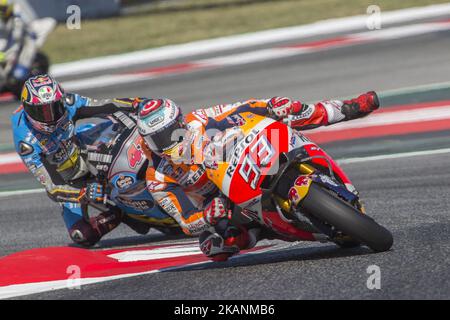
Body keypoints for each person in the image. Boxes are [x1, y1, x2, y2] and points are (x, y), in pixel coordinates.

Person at [136, 92, 380, 261]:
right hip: (223, 203)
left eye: (170, 132)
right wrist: (206, 216)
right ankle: (263, 231)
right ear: (147, 142)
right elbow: (186, 221)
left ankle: (348, 109)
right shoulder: (157, 177)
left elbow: (245, 107)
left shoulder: (200, 119)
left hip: (244, 157)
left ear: (180, 120)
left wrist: (272, 105)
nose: (167, 142)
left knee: (291, 111)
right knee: (215, 247)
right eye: (157, 139)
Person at [11, 74, 149, 246]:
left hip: (85, 149)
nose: (50, 116)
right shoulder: (26, 142)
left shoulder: (67, 103)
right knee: (81, 235)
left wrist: (137, 104)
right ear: (27, 108)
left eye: (54, 107)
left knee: (115, 133)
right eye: (41, 111)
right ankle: (121, 212)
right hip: (68, 182)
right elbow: (53, 189)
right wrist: (82, 193)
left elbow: (104, 105)